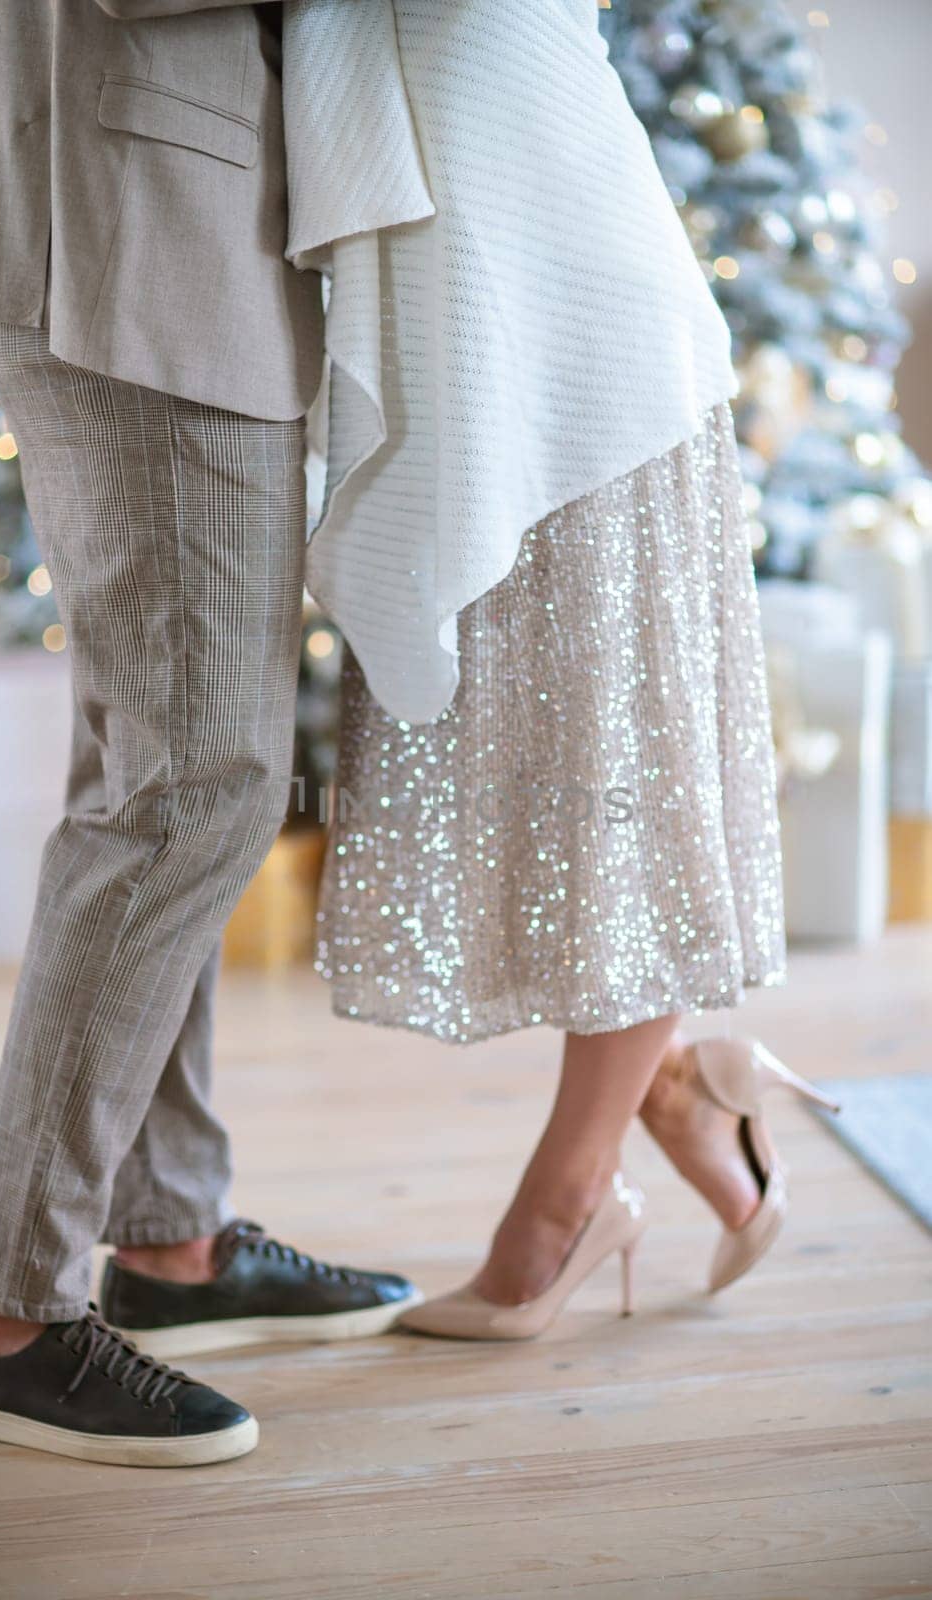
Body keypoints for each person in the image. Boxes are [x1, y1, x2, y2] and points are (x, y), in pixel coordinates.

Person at [0, 0, 421, 1469]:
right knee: (195, 788)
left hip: (155, 215)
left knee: (159, 770)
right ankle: (8, 1315)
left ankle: (164, 1234)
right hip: (138, 227)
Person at [310, 0, 842, 1340]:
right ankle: (677, 1090)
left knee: (615, 786)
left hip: (601, 379)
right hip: (498, 349)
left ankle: (564, 1201)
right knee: (561, 777)